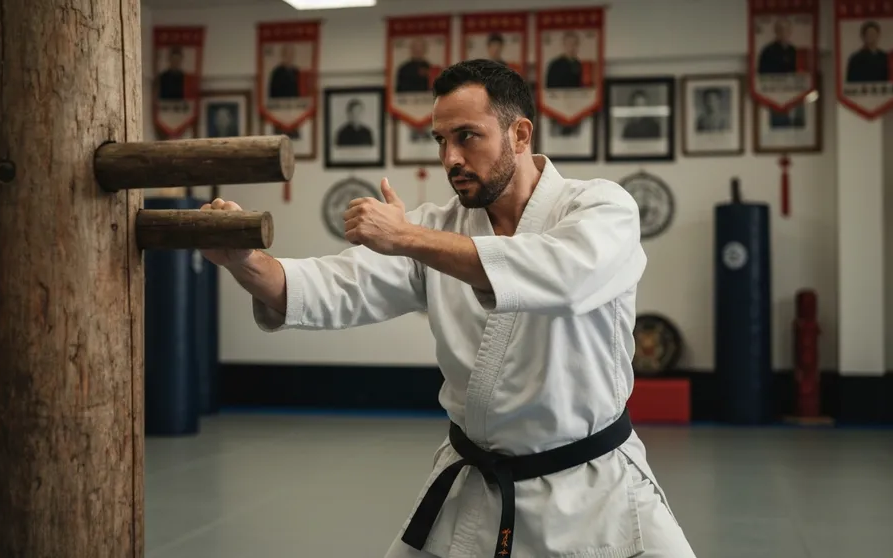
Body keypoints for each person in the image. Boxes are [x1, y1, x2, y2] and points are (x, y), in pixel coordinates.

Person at [200, 59, 696, 558]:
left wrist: (406, 236)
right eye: (440, 140)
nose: (451, 157)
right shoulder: (436, 230)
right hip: (475, 491)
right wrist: (246, 261)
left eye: (467, 136)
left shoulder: (601, 208)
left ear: (519, 134)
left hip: (592, 493)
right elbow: (335, 287)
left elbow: (562, 275)